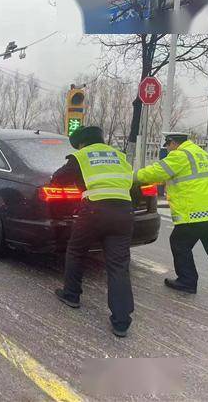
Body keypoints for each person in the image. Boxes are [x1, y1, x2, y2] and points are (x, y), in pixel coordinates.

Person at [52, 126, 135, 337]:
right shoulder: (119, 155)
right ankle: (121, 321)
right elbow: (132, 184)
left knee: (76, 250)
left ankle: (71, 295)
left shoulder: (81, 156)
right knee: (118, 265)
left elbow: (58, 178)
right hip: (124, 212)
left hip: (94, 210)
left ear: (81, 144)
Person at [135, 133, 208, 306]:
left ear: (174, 143)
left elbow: (155, 172)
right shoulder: (201, 153)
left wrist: (130, 176)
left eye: (167, 146)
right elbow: (169, 176)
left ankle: (187, 281)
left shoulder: (180, 155)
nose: (167, 150)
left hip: (195, 212)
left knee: (179, 242)